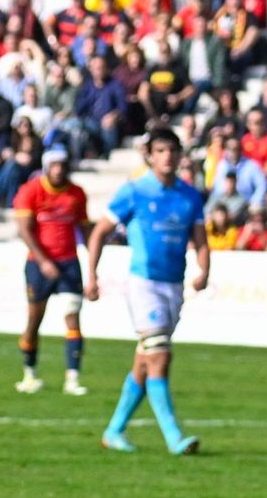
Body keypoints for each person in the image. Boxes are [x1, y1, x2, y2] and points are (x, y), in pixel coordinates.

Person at [87, 126, 209, 455]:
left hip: (173, 285)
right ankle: (174, 437)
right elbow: (98, 233)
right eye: (161, 151)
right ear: (150, 156)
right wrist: (92, 275)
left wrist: (203, 270)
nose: (167, 157)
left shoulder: (189, 195)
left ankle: (114, 430)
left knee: (145, 360)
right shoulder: (135, 192)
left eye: (172, 151)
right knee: (160, 355)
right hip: (144, 283)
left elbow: (200, 238)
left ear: (180, 155)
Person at [11, 148, 93, 396]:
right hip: (38, 264)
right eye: (54, 165)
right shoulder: (31, 191)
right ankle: (29, 374)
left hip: (69, 263)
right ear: (47, 167)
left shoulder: (76, 193)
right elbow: (25, 231)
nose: (59, 169)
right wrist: (44, 261)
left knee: (72, 317)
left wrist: (93, 264)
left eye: (62, 165)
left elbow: (85, 229)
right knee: (34, 321)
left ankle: (72, 378)